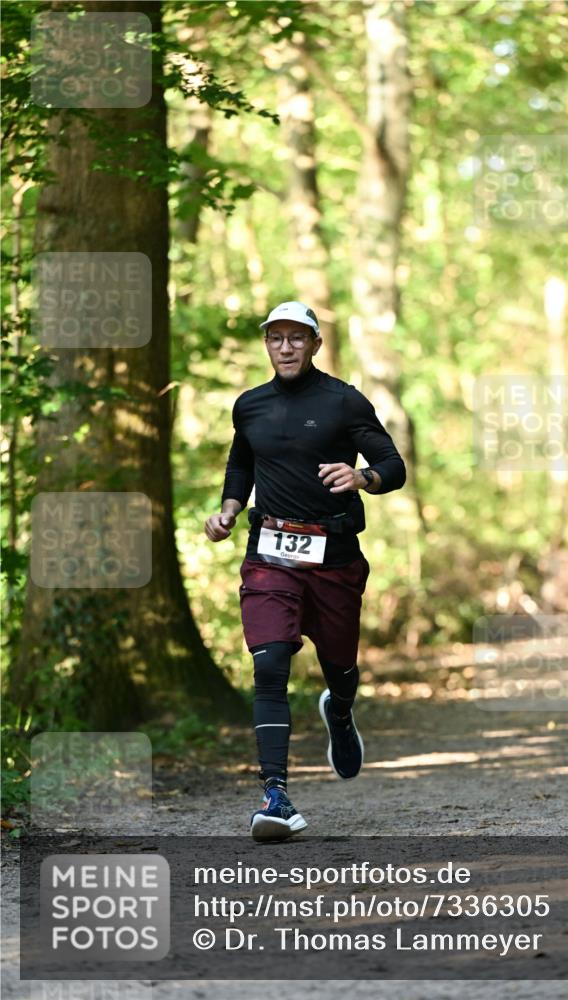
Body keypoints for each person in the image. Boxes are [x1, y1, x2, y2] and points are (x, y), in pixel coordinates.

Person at [204, 301, 406, 841]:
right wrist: (228, 506)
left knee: (340, 666)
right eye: (276, 338)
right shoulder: (249, 406)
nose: (286, 347)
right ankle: (276, 796)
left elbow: (394, 466)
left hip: (335, 558)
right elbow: (241, 461)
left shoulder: (343, 401)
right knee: (269, 663)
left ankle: (339, 711)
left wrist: (362, 478)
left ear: (315, 344)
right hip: (269, 553)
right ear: (267, 345)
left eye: (298, 338)